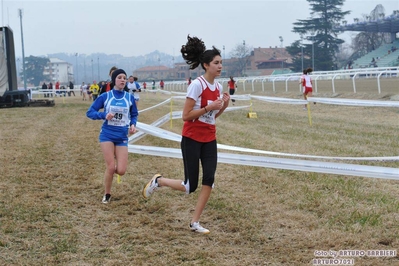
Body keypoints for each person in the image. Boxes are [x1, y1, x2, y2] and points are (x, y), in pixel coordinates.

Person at [142, 35, 230, 234]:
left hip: (210, 139)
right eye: (216, 63)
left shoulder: (218, 87)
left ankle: (195, 222)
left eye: (221, 63)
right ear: (206, 65)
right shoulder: (197, 85)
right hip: (191, 139)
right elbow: (186, 116)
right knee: (190, 186)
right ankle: (159, 181)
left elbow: (213, 116)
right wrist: (209, 107)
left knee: (210, 179)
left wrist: (222, 105)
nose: (220, 66)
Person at [86, 69, 138, 204]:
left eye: (124, 78)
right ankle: (107, 194)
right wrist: (103, 115)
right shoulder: (105, 96)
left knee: (121, 170)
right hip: (107, 135)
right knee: (110, 167)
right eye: (120, 77)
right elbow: (90, 112)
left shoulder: (129, 97)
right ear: (114, 80)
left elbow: (134, 114)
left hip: (122, 136)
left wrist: (133, 124)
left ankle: (111, 172)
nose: (123, 80)